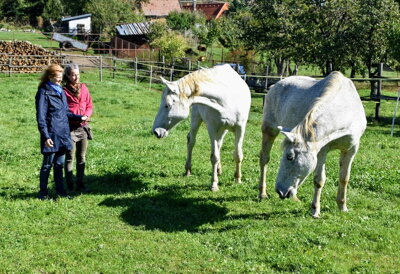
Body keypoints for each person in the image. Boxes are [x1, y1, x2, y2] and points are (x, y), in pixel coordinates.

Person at [35, 64, 87, 200]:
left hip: (63, 134)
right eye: (57, 78)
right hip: (51, 135)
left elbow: (65, 112)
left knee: (59, 164)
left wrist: (79, 117)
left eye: (60, 78)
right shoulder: (43, 92)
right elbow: (41, 117)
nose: (60, 81)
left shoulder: (60, 91)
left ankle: (61, 192)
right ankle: (43, 193)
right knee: (47, 164)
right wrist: (45, 136)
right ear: (50, 77)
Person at [63, 64, 93, 193]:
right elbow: (64, 111)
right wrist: (77, 117)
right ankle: (70, 185)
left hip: (83, 128)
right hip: (70, 128)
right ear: (68, 76)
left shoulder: (84, 88)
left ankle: (81, 183)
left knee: (81, 157)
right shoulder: (63, 91)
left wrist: (86, 115)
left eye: (78, 74)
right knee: (70, 157)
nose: (76, 77)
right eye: (73, 75)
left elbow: (89, 105)